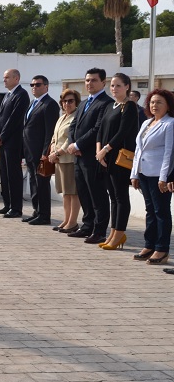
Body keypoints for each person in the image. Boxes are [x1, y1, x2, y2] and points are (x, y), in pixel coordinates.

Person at [93, 73, 138, 251]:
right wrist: (99, 151)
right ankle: (113, 232)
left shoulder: (129, 107)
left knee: (121, 197)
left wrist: (106, 149)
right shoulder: (110, 106)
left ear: (127, 87)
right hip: (104, 158)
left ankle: (119, 232)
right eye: (112, 85)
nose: (114, 89)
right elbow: (100, 130)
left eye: (118, 85)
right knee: (113, 197)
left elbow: (123, 132)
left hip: (118, 158)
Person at [67, 68, 112, 243]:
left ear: (103, 82)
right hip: (78, 156)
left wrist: (78, 144)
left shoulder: (105, 103)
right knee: (83, 192)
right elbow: (73, 126)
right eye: (87, 80)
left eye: (93, 80)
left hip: (93, 157)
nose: (89, 83)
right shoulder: (84, 103)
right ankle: (87, 225)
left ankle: (99, 230)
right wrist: (73, 145)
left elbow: (97, 129)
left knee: (97, 194)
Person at [130, 89, 174, 265]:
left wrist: (164, 177)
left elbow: (169, 153)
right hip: (144, 172)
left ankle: (162, 249)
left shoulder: (170, 124)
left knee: (161, 212)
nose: (154, 105)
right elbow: (138, 150)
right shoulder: (147, 123)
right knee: (150, 211)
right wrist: (135, 173)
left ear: (168, 105)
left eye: (159, 102)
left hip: (158, 174)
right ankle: (149, 244)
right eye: (152, 102)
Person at [22, 75, 59, 225]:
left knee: (42, 184)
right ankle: (37, 210)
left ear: (46, 86)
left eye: (38, 84)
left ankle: (44, 215)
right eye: (32, 84)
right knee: (33, 183)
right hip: (29, 151)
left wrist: (45, 152)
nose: (34, 87)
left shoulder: (50, 104)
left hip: (40, 152)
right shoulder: (33, 103)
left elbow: (49, 131)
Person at [0, 69, 29, 218]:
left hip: (13, 142)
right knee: (4, 174)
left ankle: (16, 208)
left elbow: (14, 119)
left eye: (7, 77)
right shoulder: (8, 95)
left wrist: (2, 136)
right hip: (2, 141)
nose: (4, 80)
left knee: (13, 175)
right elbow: (0, 117)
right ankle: (7, 204)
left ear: (16, 78)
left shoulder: (21, 95)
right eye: (4, 78)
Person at [47, 88, 82, 233]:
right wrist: (52, 150)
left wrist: (58, 152)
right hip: (59, 160)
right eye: (64, 101)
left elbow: (70, 139)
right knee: (65, 193)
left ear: (76, 102)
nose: (67, 104)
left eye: (70, 101)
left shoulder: (76, 117)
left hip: (68, 158)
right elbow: (55, 136)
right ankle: (66, 219)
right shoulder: (62, 117)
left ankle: (73, 222)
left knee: (73, 192)